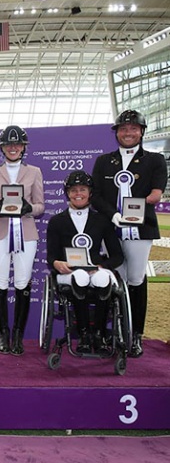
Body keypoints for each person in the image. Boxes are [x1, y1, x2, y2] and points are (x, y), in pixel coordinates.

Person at [91, 110, 168, 357]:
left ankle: (135, 334)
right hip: (110, 229)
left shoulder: (155, 160)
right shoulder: (104, 161)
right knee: (113, 279)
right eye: (123, 129)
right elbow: (97, 196)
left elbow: (156, 195)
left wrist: (132, 211)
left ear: (141, 131)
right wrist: (115, 215)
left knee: (135, 280)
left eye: (133, 128)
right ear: (117, 132)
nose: (128, 132)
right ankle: (111, 332)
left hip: (141, 227)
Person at [0, 125, 44, 356]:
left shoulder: (35, 172)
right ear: (3, 148)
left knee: (22, 281)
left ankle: (18, 333)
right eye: (9, 144)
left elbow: (40, 206)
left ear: (23, 147)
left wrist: (28, 208)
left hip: (25, 233)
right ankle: (4, 333)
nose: (13, 148)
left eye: (17, 144)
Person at [47, 171, 124, 353]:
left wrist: (102, 266)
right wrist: (57, 264)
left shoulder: (102, 220)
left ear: (90, 193)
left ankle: (98, 334)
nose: (78, 193)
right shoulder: (57, 221)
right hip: (70, 272)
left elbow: (117, 256)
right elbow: (51, 256)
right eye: (73, 190)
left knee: (102, 279)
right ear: (67, 193)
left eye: (82, 189)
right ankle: (83, 334)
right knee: (80, 276)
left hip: (96, 268)